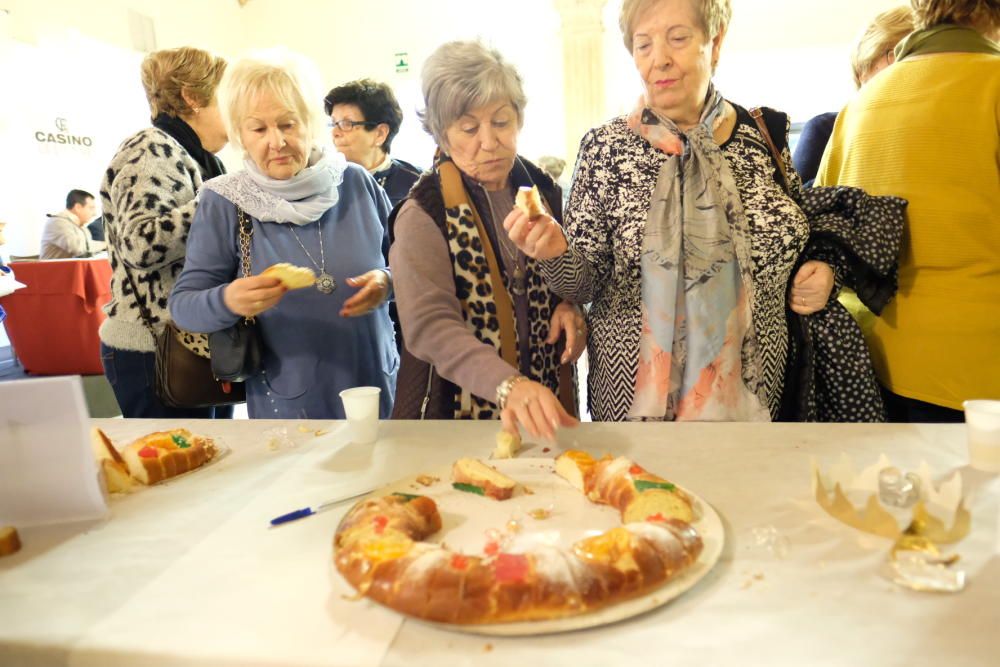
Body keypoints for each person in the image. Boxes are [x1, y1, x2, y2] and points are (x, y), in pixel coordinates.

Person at [509, 0, 904, 423]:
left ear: (714, 43)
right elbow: (586, 283)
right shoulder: (604, 149)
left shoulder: (762, 136)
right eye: (643, 45)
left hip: (755, 398)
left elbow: (796, 236)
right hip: (637, 410)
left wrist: (823, 268)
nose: (659, 57)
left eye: (678, 38)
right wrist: (553, 251)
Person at [170, 50, 398, 420]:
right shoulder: (225, 200)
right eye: (258, 129)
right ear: (240, 135)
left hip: (376, 389)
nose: (276, 142)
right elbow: (184, 307)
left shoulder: (356, 184)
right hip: (289, 406)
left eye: (288, 124)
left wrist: (388, 283)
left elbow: (411, 271)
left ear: (309, 123)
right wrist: (228, 300)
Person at [388, 40, 584, 440]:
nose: (489, 142)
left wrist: (571, 303)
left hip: (547, 406)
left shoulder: (546, 193)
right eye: (469, 128)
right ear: (442, 135)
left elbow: (575, 271)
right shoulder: (425, 212)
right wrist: (508, 385)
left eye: (501, 122)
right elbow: (429, 326)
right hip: (457, 414)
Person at [816, 0, 1000, 422]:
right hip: (981, 381)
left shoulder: (858, 107)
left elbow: (828, 232)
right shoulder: (993, 84)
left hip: (872, 367)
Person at [99, 46, 230, 418]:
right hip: (154, 349)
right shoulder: (152, 148)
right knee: (179, 471)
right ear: (192, 97)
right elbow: (140, 245)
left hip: (191, 342)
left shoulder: (204, 159)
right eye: (226, 95)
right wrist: (217, 199)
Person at [793, 6, 914, 186]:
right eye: (897, 55)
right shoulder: (825, 129)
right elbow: (796, 205)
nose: (910, 67)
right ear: (863, 69)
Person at [324, 79, 422, 209]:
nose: (335, 132)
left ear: (380, 134)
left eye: (346, 124)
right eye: (333, 123)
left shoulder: (417, 184)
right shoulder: (325, 183)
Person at [40, 189, 106, 259]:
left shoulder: (81, 226)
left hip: (71, 268)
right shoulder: (57, 222)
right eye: (91, 208)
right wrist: (106, 244)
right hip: (54, 269)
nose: (94, 213)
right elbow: (79, 249)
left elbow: (88, 249)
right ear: (78, 207)